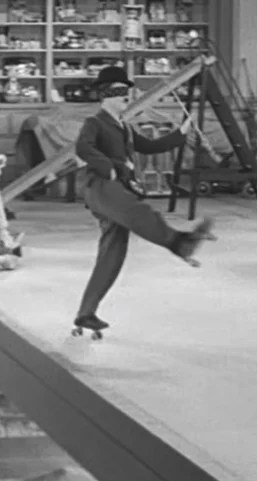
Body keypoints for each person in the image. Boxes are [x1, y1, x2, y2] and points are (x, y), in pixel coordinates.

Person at [73, 65, 215, 333]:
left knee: (113, 253)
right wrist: (110, 167)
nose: (124, 96)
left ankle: (86, 313)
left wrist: (181, 133)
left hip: (117, 188)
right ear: (105, 95)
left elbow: (150, 146)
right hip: (101, 185)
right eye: (118, 92)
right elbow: (83, 147)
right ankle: (178, 242)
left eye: (126, 92)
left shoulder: (125, 127)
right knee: (138, 211)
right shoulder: (95, 123)